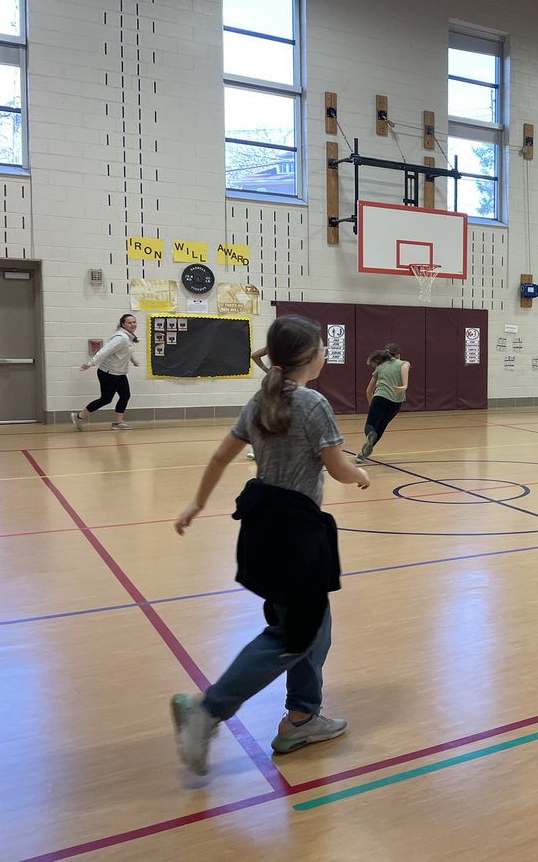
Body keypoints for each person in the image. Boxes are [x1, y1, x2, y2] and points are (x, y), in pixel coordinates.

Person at [170, 315, 370, 777]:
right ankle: (207, 709)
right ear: (309, 356)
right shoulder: (313, 403)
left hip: (264, 528)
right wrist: (360, 474)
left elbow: (221, 456)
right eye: (322, 347)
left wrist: (196, 504)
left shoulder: (262, 397)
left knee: (312, 627)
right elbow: (338, 468)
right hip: (296, 535)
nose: (325, 354)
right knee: (292, 635)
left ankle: (302, 717)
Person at [72, 314, 140, 431]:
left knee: (125, 396)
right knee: (106, 399)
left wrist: (133, 360)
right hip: (109, 373)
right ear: (123, 324)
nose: (132, 324)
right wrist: (91, 363)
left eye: (134, 322)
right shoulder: (121, 338)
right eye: (129, 322)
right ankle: (79, 417)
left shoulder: (128, 337)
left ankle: (118, 423)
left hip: (119, 373)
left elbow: (125, 351)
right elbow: (105, 351)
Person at [357, 343, 410, 463]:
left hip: (379, 398)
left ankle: (369, 435)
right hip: (396, 402)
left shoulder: (380, 366)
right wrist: (404, 386)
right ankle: (363, 454)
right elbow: (405, 369)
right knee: (381, 426)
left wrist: (372, 405)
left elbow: (368, 390)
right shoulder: (403, 363)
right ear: (398, 355)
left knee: (370, 425)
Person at [245, 346, 272, 461]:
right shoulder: (293, 345)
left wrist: (267, 370)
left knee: (264, 414)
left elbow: (254, 355)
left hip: (270, 379)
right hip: (282, 381)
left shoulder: (272, 344)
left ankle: (254, 447)